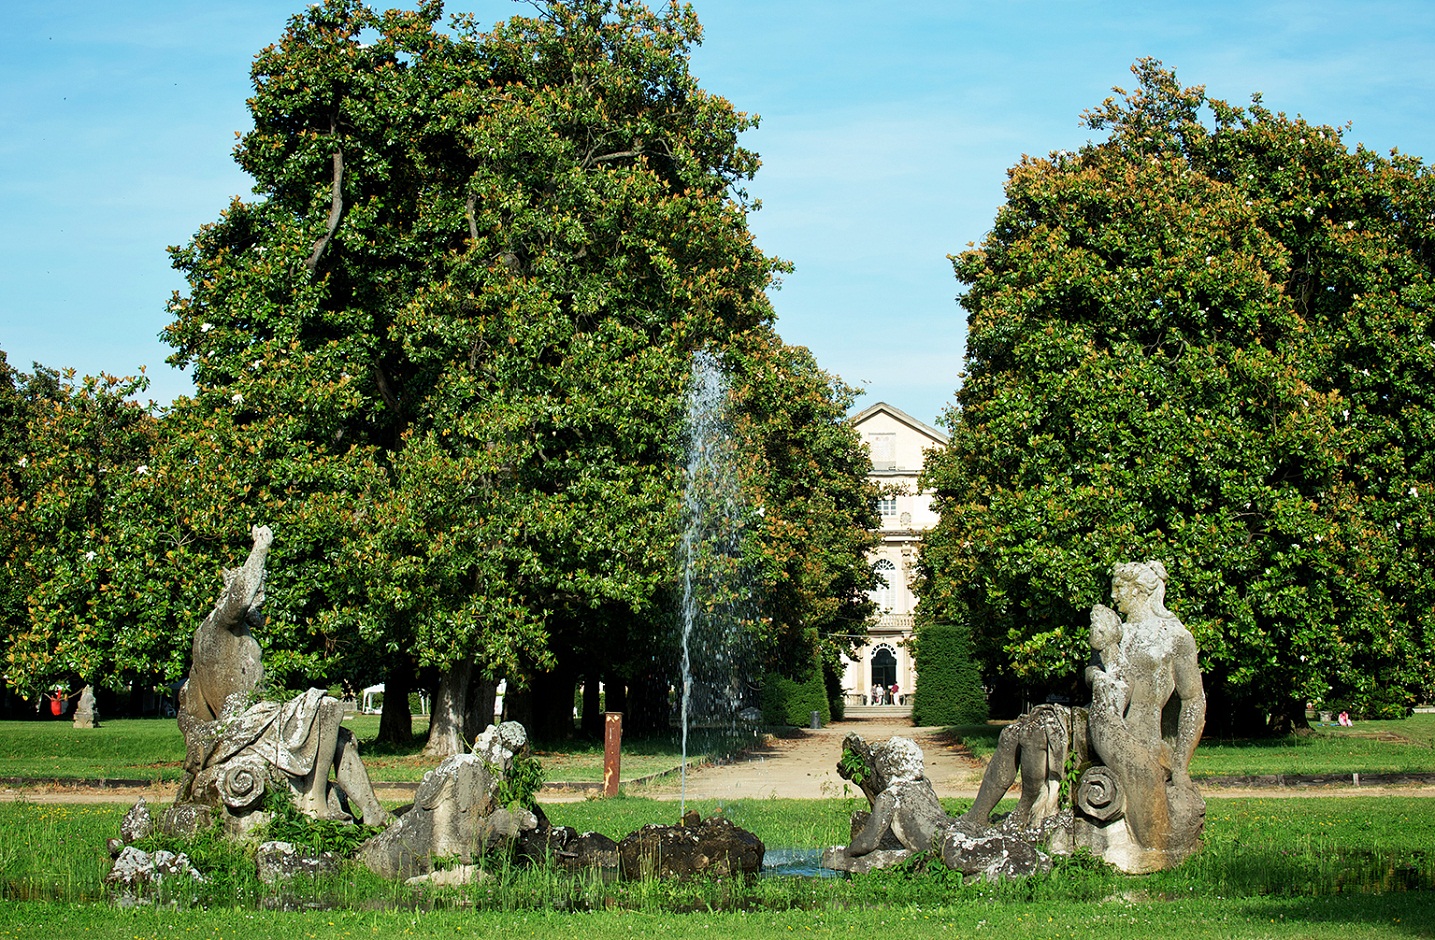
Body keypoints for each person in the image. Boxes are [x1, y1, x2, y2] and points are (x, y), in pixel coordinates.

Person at [178, 525, 387, 825]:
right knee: (327, 708)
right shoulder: (217, 628)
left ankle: (373, 812)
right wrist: (260, 548)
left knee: (340, 737)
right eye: (259, 590)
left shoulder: (237, 633)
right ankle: (314, 803)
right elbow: (238, 600)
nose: (262, 599)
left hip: (255, 720)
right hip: (240, 727)